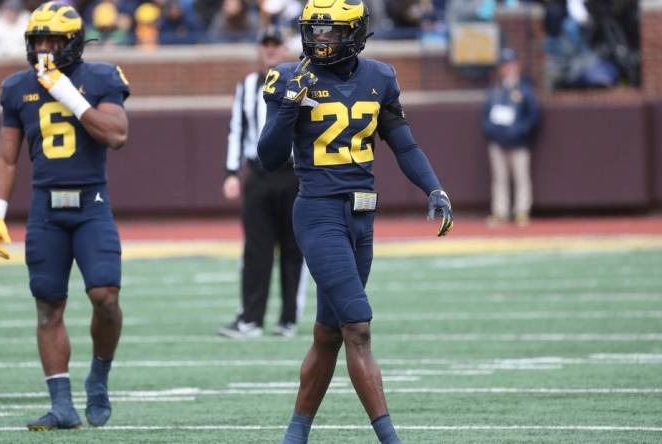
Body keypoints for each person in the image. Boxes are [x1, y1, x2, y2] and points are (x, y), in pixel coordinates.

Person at [257, 1, 453, 443]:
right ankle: (390, 438)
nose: (320, 39)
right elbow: (268, 158)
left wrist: (434, 188)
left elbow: (403, 145)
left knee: (328, 334)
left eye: (332, 32)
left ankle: (295, 434)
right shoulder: (289, 77)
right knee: (358, 327)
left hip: (362, 218)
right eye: (315, 30)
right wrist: (289, 106)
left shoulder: (379, 77)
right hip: (319, 213)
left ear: (356, 33)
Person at [0, 1, 130, 430]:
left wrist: (64, 90)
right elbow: (6, 158)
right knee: (48, 307)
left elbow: (117, 135)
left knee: (105, 298)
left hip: (91, 205)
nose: (44, 48)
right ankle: (62, 404)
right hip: (45, 209)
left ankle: (99, 377)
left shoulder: (101, 78)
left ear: (73, 44)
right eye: (38, 41)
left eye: (52, 40)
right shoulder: (17, 87)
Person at [219, 26, 307, 339]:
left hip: (294, 173)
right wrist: (231, 172)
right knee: (256, 249)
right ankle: (251, 319)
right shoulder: (247, 86)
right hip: (258, 174)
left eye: (275, 44)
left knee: (293, 248)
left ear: (285, 48)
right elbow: (237, 130)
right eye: (265, 44)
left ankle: (289, 319)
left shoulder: (302, 81)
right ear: (260, 48)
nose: (270, 49)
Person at [481, 48, 540, 227]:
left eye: (511, 64)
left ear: (517, 66)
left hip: (519, 142)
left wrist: (520, 130)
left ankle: (522, 211)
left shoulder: (525, 89)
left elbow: (533, 115)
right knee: (500, 179)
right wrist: (493, 132)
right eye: (505, 65)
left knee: (521, 177)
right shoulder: (495, 90)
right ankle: (500, 212)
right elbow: (486, 116)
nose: (508, 68)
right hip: (498, 142)